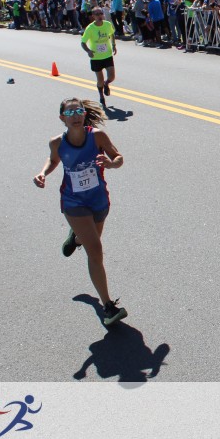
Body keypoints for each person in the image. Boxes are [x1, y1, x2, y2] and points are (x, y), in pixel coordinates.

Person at [33, 98, 127, 326]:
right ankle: (108, 307)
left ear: (84, 114)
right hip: (73, 201)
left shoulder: (97, 137)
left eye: (78, 111)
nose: (75, 115)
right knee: (95, 251)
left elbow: (118, 158)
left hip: (98, 199)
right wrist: (43, 173)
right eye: (69, 112)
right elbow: (53, 160)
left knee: (90, 243)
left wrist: (111, 164)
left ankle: (76, 238)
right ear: (62, 118)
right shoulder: (57, 142)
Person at [81, 7, 117, 106]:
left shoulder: (107, 24)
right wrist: (88, 51)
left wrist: (114, 45)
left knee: (112, 77)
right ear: (93, 16)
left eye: (101, 13)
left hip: (107, 55)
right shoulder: (90, 28)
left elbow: (112, 34)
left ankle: (106, 84)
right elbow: (83, 42)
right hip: (96, 57)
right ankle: (101, 96)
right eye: (97, 14)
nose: (100, 16)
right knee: (100, 80)